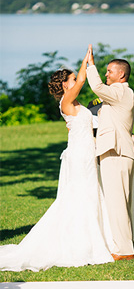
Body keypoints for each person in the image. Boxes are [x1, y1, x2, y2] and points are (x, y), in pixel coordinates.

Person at [0, 46, 116, 271]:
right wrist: (87, 62)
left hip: (86, 152)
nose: (75, 81)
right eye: (72, 79)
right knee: (82, 195)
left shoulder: (76, 104)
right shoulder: (66, 101)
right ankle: (82, 245)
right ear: (64, 84)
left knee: (90, 194)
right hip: (79, 155)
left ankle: (98, 240)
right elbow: (82, 81)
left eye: (74, 78)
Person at [85, 44, 134, 261]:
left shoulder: (120, 91)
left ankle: (125, 250)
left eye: (109, 71)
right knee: (118, 201)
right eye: (105, 71)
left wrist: (90, 65)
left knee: (117, 202)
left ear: (121, 75)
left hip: (116, 152)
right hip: (115, 151)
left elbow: (96, 86)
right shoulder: (117, 94)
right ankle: (124, 243)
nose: (106, 74)